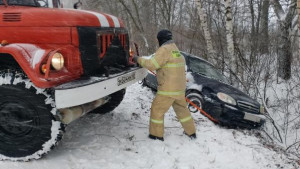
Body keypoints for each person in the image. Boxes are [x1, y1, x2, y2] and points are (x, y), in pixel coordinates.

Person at [133, 29, 196, 141]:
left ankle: (156, 135)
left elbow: (152, 65)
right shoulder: (176, 50)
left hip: (168, 90)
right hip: (179, 89)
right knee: (183, 111)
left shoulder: (164, 50)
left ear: (160, 39)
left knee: (157, 110)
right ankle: (191, 132)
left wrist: (138, 59)